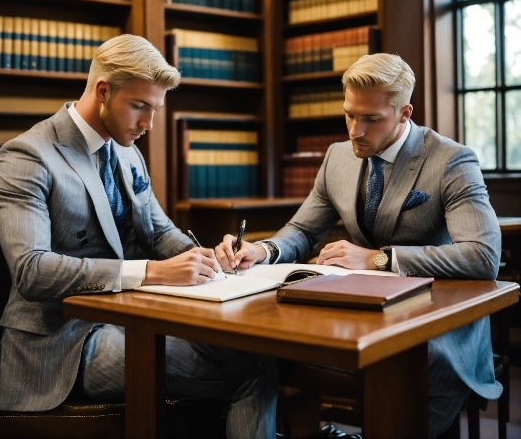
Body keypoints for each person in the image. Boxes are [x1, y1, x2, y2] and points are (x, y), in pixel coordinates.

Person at [0, 34, 277, 439]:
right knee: (249, 371)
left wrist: (209, 257)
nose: (149, 124)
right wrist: (153, 272)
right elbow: (32, 271)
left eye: (154, 109)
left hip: (134, 318)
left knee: (258, 355)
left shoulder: (125, 149)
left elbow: (159, 231)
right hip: (62, 342)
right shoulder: (28, 155)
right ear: (103, 91)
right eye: (139, 106)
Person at [215, 53, 503, 438]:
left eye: (371, 119)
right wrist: (261, 250)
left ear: (404, 113)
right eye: (349, 114)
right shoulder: (338, 157)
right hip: (356, 310)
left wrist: (379, 258)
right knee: (256, 346)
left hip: (436, 320)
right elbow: (302, 230)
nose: (355, 130)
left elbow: (483, 256)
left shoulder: (451, 160)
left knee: (406, 365)